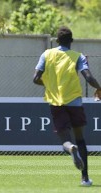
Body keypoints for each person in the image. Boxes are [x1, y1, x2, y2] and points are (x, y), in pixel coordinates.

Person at [33, 26, 101, 186]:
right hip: (75, 102)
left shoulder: (47, 54)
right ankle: (85, 178)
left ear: (56, 41)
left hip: (56, 103)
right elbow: (89, 77)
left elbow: (36, 78)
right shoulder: (78, 57)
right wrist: (99, 88)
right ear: (71, 41)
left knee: (65, 139)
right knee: (81, 139)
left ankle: (70, 148)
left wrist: (50, 84)